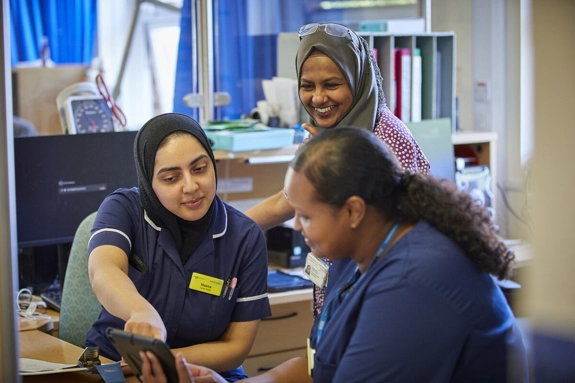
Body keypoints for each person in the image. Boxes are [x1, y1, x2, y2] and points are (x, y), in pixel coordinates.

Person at [139, 127, 529, 383]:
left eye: (306, 216)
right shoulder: (354, 254)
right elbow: (319, 367)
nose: (295, 227)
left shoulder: (415, 283)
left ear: (354, 211)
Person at [245, 22, 429, 318]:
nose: (317, 98)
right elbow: (289, 200)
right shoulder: (328, 133)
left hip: (381, 297)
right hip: (337, 294)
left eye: (331, 85)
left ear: (357, 82)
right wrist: (223, 232)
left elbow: (402, 234)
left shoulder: (387, 139)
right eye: (307, 86)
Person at [85, 113, 271, 382]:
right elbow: (103, 270)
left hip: (203, 373)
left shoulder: (245, 236)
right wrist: (142, 311)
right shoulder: (124, 208)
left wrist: (161, 361)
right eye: (171, 178)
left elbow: (236, 348)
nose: (191, 186)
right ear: (149, 182)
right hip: (116, 365)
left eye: (199, 169)